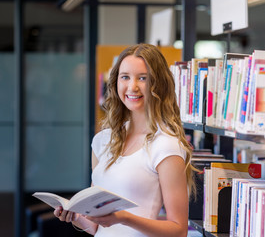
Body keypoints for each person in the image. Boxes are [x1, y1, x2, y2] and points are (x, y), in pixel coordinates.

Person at [54, 43, 196, 237]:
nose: (132, 86)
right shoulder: (103, 140)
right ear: (116, 82)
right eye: (125, 77)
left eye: (143, 78)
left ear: (158, 84)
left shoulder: (166, 145)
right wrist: (74, 216)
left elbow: (178, 231)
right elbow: (96, 227)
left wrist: (124, 218)